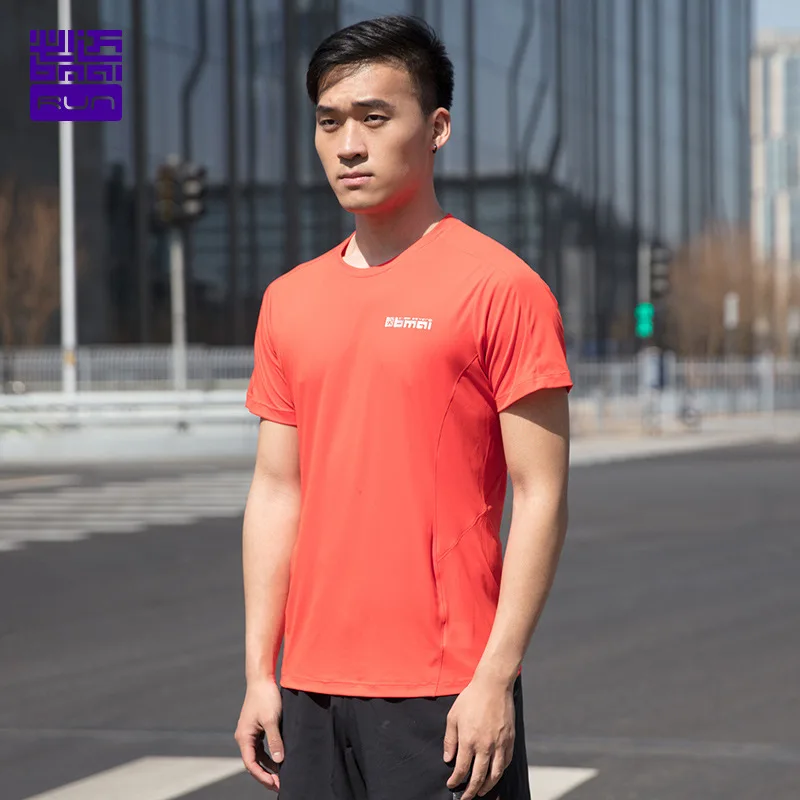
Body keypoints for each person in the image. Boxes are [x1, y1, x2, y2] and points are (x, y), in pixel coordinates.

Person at [235, 14, 573, 800]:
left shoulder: (502, 289)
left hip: (445, 691)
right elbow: (277, 491)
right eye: (329, 122)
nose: (348, 145)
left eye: (374, 117)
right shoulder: (288, 300)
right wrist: (259, 673)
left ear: (437, 128)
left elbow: (542, 494)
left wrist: (495, 676)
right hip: (310, 691)